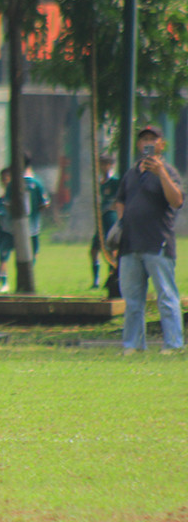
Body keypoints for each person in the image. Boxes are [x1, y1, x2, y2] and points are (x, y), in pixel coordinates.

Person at [116, 126, 184, 354]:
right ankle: (133, 344)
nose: (148, 143)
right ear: (138, 145)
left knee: (165, 295)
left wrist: (161, 173)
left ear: (161, 144)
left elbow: (176, 201)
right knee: (133, 299)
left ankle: (173, 344)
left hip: (157, 243)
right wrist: (121, 222)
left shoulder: (169, 172)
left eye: (152, 140)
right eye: (144, 139)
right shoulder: (132, 173)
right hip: (130, 244)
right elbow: (121, 199)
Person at [90, 155, 119, 289]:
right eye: (102, 164)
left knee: (110, 248)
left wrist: (110, 207)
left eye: (106, 164)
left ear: (111, 165)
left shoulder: (115, 181)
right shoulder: (99, 183)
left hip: (110, 217)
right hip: (101, 219)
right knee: (94, 249)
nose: (104, 167)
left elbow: (119, 199)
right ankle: (96, 279)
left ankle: (111, 276)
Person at [24, 155, 51, 262]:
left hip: (17, 225)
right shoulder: (37, 182)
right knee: (33, 251)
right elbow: (45, 203)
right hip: (33, 223)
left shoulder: (14, 183)